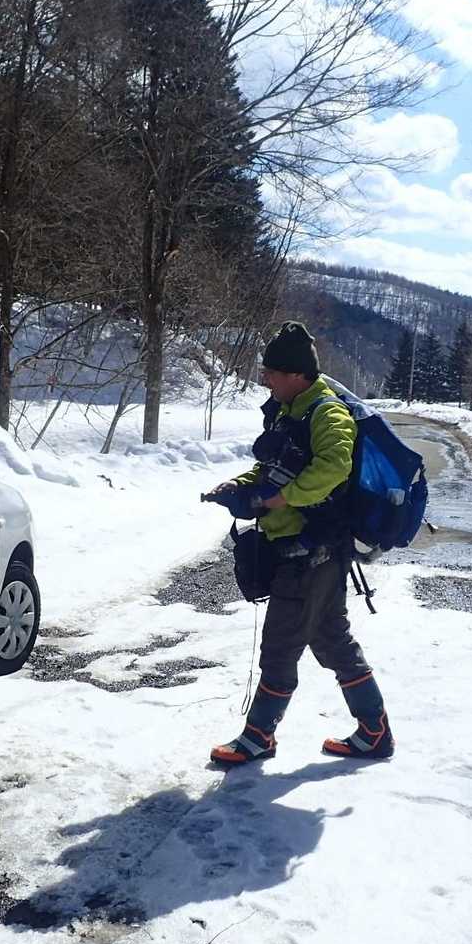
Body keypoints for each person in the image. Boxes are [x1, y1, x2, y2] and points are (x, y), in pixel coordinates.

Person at [205, 321, 393, 766]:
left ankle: (258, 736)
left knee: (280, 645)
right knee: (332, 640)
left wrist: (281, 498)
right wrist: (240, 486)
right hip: (303, 548)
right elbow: (272, 466)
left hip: (313, 550)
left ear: (295, 374)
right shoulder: (289, 411)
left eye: (271, 372)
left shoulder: (327, 414)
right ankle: (374, 731)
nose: (265, 378)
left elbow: (333, 468)